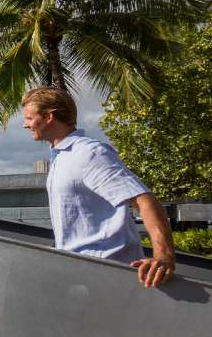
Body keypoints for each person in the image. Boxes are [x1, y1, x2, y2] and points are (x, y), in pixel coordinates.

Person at [20, 87, 175, 288]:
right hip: (80, 274)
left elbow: (144, 200)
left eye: (30, 118)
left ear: (49, 117)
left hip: (109, 275)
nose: (26, 125)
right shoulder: (60, 157)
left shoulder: (89, 154)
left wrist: (163, 256)